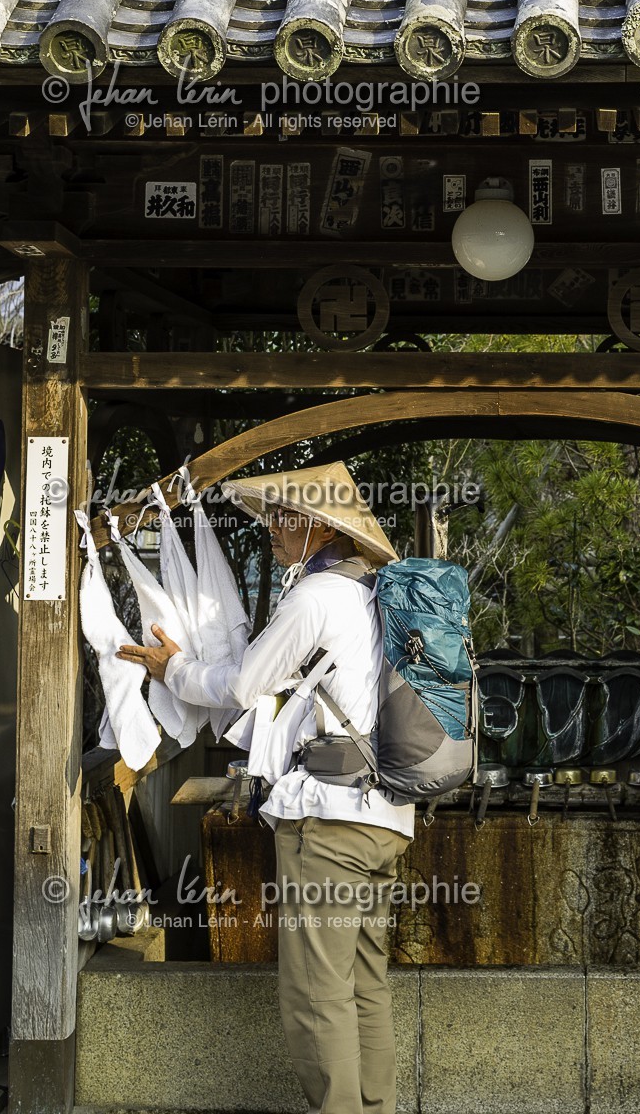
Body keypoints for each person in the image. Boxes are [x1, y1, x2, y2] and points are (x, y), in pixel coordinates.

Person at [117, 462, 413, 1114]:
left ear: (318, 526)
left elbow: (242, 686)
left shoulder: (314, 598)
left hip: (328, 823)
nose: (270, 528)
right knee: (365, 984)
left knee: (317, 993)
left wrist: (173, 670)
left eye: (283, 516)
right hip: (384, 817)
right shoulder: (371, 593)